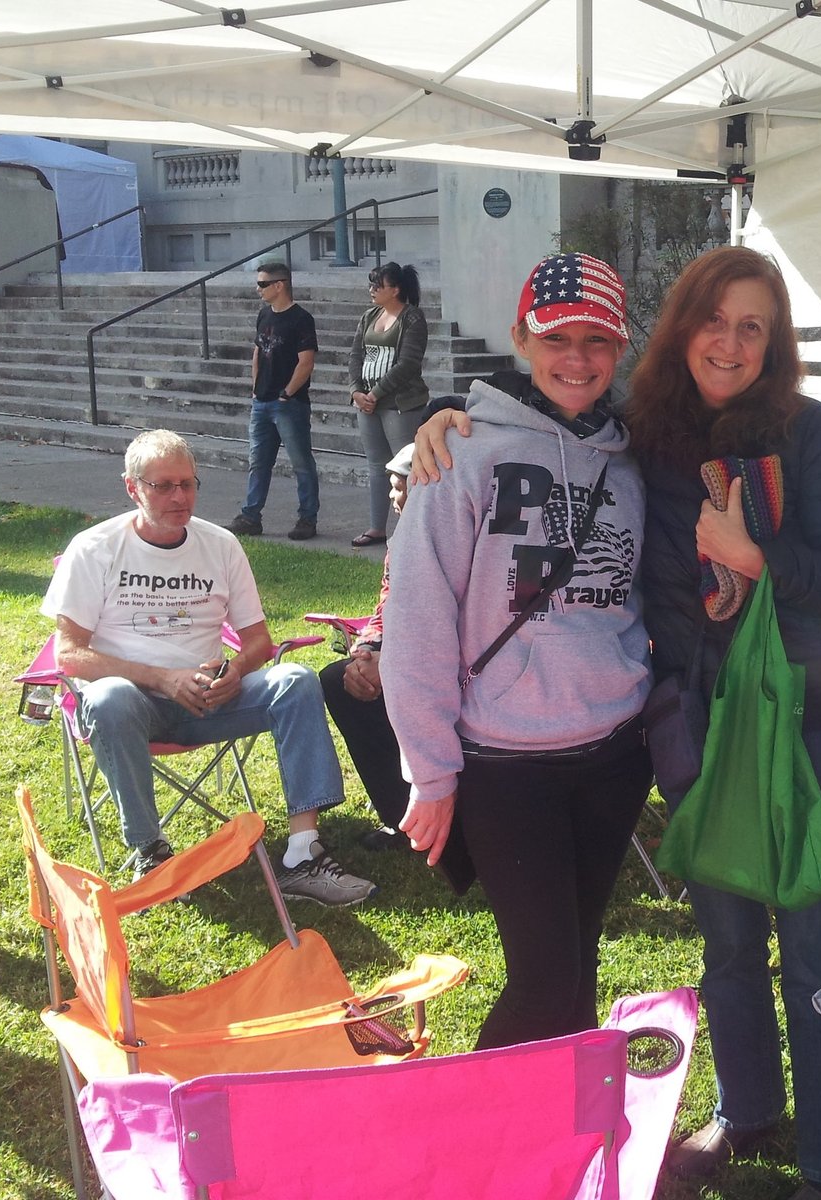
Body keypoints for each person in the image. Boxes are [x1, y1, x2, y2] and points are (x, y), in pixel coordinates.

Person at [411, 246, 821, 1200]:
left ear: (774, 343)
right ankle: (748, 1111)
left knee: (817, 945)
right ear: (681, 329)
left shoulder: (810, 434)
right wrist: (447, 415)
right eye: (714, 320)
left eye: (752, 326)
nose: (729, 342)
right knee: (729, 941)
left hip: (809, 726)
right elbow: (549, 407)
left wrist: (757, 556)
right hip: (694, 721)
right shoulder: (648, 435)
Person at [382, 252, 652, 1050]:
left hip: (614, 751)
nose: (577, 358)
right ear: (521, 338)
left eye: (597, 340)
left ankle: (570, 1119)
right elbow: (418, 619)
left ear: (621, 347)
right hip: (506, 762)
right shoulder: (460, 452)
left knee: (578, 960)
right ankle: (477, 1123)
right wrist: (432, 772)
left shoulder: (633, 459)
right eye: (556, 338)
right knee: (543, 981)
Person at [42, 429, 377, 906]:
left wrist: (236, 671)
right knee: (109, 697)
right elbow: (69, 654)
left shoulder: (220, 545)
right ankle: (150, 853)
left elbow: (258, 640)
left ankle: (304, 853)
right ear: (132, 487)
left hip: (213, 700)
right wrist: (161, 678)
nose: (179, 497)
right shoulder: (95, 548)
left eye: (187, 484)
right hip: (135, 706)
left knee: (297, 679)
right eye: (163, 486)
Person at [319, 448, 417, 850]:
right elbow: (386, 608)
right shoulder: (401, 540)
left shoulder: (465, 540)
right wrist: (364, 652)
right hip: (402, 658)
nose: (393, 497)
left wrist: (392, 663)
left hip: (453, 669)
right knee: (338, 680)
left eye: (400, 488)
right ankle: (401, 817)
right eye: (392, 487)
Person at [226, 261, 321, 541]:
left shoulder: (301, 319)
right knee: (258, 462)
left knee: (301, 463)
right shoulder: (264, 315)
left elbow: (306, 362)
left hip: (289, 404)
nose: (259, 289)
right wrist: (257, 388)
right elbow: (258, 351)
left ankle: (307, 517)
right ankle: (250, 516)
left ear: (280, 285)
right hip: (262, 402)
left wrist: (287, 392)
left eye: (263, 284)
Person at [348, 262, 430, 548]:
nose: (371, 290)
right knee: (376, 465)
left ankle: (412, 529)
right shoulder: (369, 316)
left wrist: (376, 393)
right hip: (367, 404)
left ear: (395, 290)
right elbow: (355, 356)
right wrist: (356, 391)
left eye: (377, 285)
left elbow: (408, 363)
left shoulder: (412, 318)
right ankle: (376, 528)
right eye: (371, 285)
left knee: (405, 466)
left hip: (400, 404)